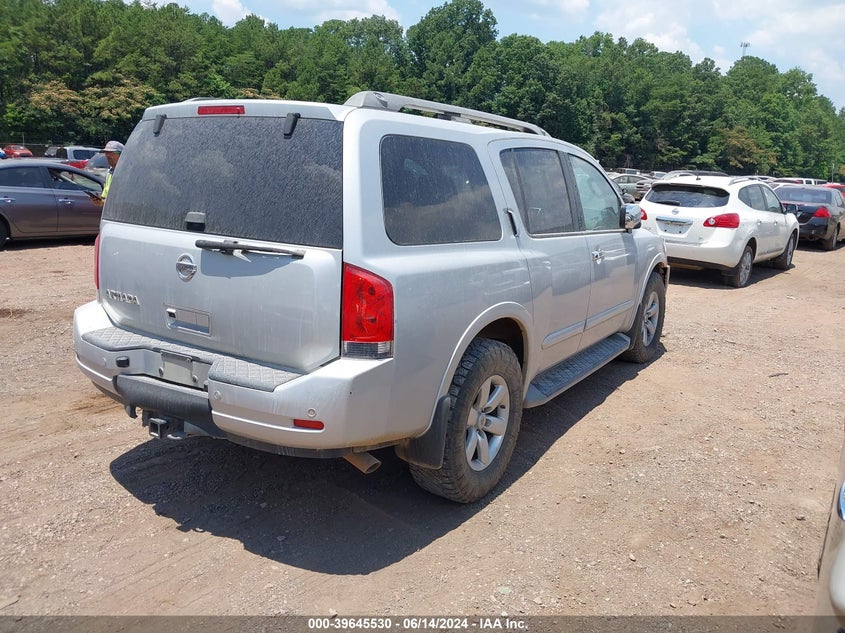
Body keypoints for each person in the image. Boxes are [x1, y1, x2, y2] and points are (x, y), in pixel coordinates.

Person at [91, 140, 124, 205]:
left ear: (121, 155)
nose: (108, 156)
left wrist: (103, 202)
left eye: (112, 153)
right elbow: (105, 197)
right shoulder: (110, 173)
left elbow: (123, 201)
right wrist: (99, 201)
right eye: (106, 153)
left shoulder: (127, 174)